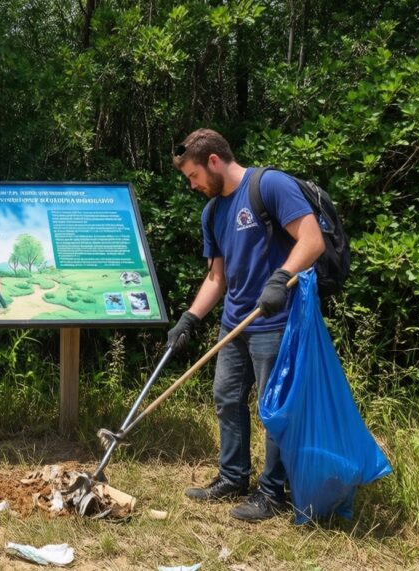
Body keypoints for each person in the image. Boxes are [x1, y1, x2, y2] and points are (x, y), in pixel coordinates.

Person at [167, 128, 324, 522]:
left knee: (273, 410)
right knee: (227, 398)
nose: (192, 185)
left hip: (274, 320)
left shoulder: (268, 185)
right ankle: (233, 477)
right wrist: (190, 318)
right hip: (234, 322)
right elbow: (216, 278)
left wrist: (280, 277)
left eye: (193, 175)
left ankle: (273, 493)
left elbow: (312, 240)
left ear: (214, 161)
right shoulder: (213, 212)